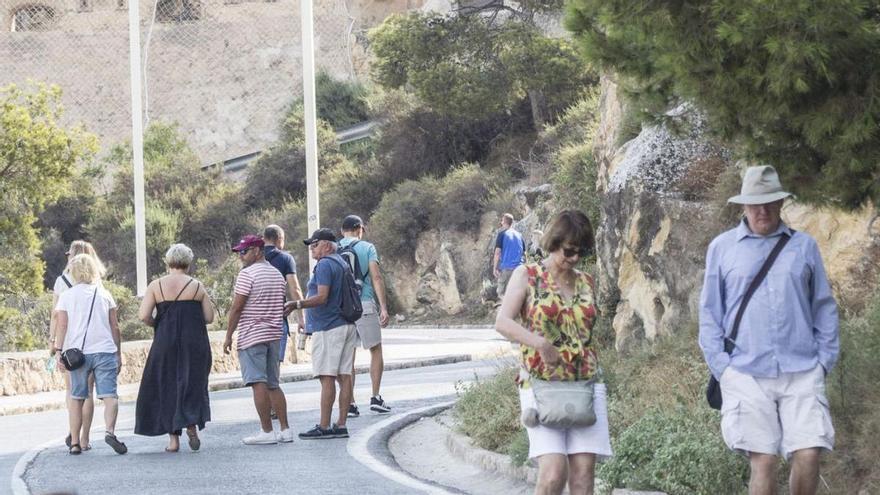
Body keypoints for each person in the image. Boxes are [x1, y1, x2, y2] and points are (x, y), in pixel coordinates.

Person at [699, 165, 838, 495]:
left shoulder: (804, 247)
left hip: (802, 368)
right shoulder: (722, 248)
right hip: (746, 373)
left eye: (769, 202)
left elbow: (824, 306)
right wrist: (724, 370)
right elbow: (708, 315)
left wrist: (823, 361)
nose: (762, 210)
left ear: (780, 203)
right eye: (754, 203)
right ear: (743, 206)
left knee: (808, 453)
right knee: (764, 460)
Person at [495, 210, 611, 495]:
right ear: (554, 242)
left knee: (584, 474)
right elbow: (503, 322)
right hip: (540, 384)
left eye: (581, 252)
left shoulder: (586, 281)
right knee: (553, 473)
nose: (574, 259)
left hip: (585, 384)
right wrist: (540, 344)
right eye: (569, 251)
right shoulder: (528, 275)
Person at [135, 243, 214, 452]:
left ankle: (173, 441)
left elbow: (143, 315)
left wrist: (158, 324)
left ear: (168, 261)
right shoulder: (197, 286)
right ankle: (191, 426)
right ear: (189, 262)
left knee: (167, 385)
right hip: (193, 341)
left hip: (165, 340)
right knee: (191, 383)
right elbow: (209, 317)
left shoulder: (156, 285)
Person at [53, 254, 127, 455]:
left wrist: (58, 350)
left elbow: (62, 325)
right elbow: (115, 326)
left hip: (78, 355)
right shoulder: (105, 294)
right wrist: (118, 352)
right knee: (110, 395)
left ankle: (75, 442)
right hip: (105, 351)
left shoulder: (67, 296)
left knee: (77, 397)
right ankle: (110, 432)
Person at [287, 228, 357, 439]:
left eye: (314, 245)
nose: (311, 249)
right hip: (346, 324)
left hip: (329, 327)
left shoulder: (325, 265)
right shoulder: (342, 263)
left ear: (327, 245)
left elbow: (322, 297)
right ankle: (341, 424)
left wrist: (296, 304)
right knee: (345, 376)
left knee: (327, 376)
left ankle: (324, 425)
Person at [223, 234, 292, 445]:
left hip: (252, 334)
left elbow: (236, 308)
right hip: (274, 334)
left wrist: (228, 335)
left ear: (257, 251)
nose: (241, 256)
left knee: (257, 382)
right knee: (273, 384)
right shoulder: (277, 275)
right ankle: (285, 429)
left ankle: (266, 431)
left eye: (244, 252)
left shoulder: (247, 275)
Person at [49, 240, 105, 451]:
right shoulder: (97, 282)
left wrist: (54, 342)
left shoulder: (62, 281)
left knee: (73, 391)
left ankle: (73, 434)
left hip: (70, 344)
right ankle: (85, 438)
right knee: (88, 392)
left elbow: (56, 316)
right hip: (92, 343)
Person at [337, 215, 391, 417]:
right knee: (375, 350)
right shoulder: (367, 248)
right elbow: (376, 277)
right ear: (360, 229)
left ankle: (350, 402)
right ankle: (375, 397)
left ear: (343, 231)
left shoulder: (334, 248)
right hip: (365, 303)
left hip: (343, 308)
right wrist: (383, 307)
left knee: (348, 355)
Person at [262, 225, 305, 363]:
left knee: (259, 370)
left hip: (255, 321)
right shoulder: (285, 259)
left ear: (264, 239)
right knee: (274, 368)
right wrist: (301, 318)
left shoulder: (253, 257)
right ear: (279, 239)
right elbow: (295, 289)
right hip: (277, 319)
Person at [493, 213, 526, 298]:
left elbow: (497, 253)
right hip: (519, 268)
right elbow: (524, 253)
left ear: (503, 222)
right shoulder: (519, 235)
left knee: (501, 294)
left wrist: (495, 268)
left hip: (507, 269)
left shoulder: (502, 234)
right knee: (518, 295)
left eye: (502, 221)